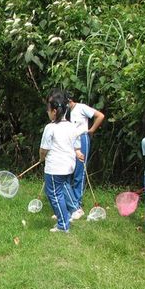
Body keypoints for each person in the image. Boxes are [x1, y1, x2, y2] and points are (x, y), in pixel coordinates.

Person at [40, 91, 85, 233]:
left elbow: (43, 149)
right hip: (69, 166)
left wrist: (41, 158)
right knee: (63, 187)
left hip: (55, 168)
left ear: (54, 111)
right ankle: (73, 210)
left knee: (54, 193)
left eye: (48, 110)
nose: (48, 113)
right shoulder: (72, 126)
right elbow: (76, 145)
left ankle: (63, 224)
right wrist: (78, 152)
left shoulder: (51, 127)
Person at [67, 91, 105, 217]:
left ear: (70, 101)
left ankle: (77, 205)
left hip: (82, 140)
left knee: (80, 173)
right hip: (73, 142)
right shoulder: (69, 112)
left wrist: (91, 130)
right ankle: (71, 203)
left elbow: (100, 116)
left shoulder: (81, 107)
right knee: (70, 172)